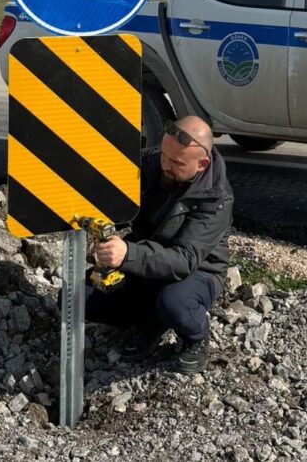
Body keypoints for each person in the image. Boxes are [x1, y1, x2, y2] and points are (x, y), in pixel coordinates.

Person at [86, 116, 234, 374]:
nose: (164, 164)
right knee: (80, 299)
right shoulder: (154, 162)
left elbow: (184, 260)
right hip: (148, 258)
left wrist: (127, 254)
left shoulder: (216, 198)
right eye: (164, 154)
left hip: (197, 272)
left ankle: (196, 337)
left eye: (176, 162)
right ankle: (150, 322)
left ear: (202, 164)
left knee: (174, 302)